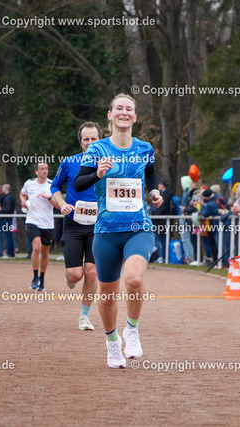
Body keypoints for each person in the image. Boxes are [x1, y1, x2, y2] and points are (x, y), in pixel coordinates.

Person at [75, 93, 163, 369]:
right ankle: (112, 342)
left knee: (134, 280)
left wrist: (154, 191)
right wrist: (98, 174)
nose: (124, 112)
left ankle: (132, 330)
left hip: (138, 227)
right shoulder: (97, 149)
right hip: (106, 231)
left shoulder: (145, 148)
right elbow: (79, 183)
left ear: (135, 116)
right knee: (108, 293)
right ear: (110, 115)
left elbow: (151, 173)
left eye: (129, 109)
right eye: (119, 108)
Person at [51, 122, 102, 330]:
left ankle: (84, 316)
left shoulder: (108, 163)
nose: (90, 143)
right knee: (75, 274)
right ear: (80, 142)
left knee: (92, 272)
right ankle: (69, 277)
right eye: (86, 139)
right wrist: (62, 203)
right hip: (73, 224)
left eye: (93, 139)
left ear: (100, 140)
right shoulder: (69, 162)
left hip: (97, 227)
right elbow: (54, 186)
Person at [20, 163, 58, 292]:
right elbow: (22, 194)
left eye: (46, 168)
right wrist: (23, 201)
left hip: (47, 223)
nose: (45, 171)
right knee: (36, 247)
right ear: (36, 171)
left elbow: (58, 205)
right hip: (32, 221)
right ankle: (35, 277)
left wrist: (49, 198)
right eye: (42, 169)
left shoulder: (52, 184)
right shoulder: (29, 183)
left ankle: (42, 278)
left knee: (45, 252)